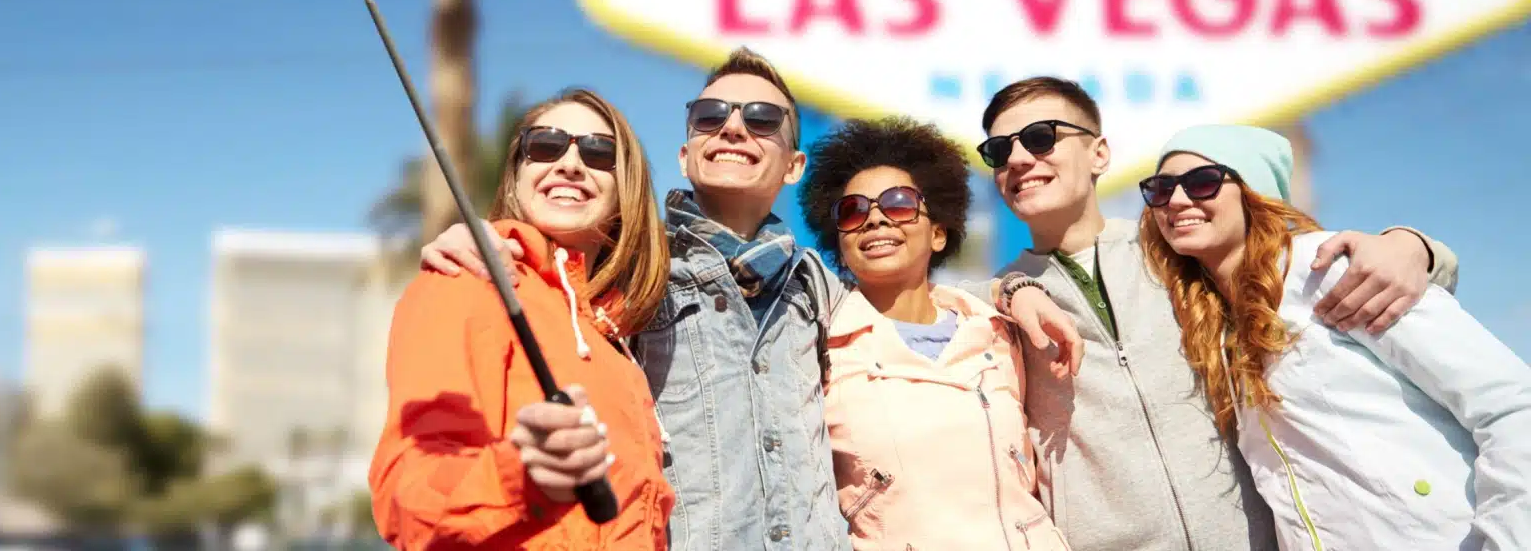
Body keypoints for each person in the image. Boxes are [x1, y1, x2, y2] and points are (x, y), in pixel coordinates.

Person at [418, 51, 1079, 549]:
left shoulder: (817, 289)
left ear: (792, 166)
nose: (734, 127)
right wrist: (490, 239)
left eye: (762, 119)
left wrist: (1012, 287)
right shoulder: (632, 265)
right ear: (686, 152)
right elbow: (554, 260)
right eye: (712, 116)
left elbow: (912, 295)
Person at [977, 76, 1460, 551]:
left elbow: (1298, 259)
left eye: (1041, 138)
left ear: (1099, 153)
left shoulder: (1180, 244)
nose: (1018, 159)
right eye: (999, 151)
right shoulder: (988, 309)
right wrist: (1011, 287)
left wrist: (1417, 247)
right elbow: (925, 305)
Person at [1140, 124, 1531, 551]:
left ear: (1253, 193)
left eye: (1202, 182)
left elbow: (1509, 405)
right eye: (1159, 188)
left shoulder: (1329, 268)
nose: (1176, 200)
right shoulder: (1212, 326)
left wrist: (1506, 540)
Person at [368, 88, 674, 550]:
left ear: (625, 190)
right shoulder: (464, 281)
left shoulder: (618, 344)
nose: (571, 163)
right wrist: (521, 476)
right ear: (517, 175)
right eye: (546, 145)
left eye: (598, 152)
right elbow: (408, 494)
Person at [798, 117, 1072, 550]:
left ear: (939, 233)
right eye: (853, 211)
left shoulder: (1000, 333)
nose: (874, 219)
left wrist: (1014, 287)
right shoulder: (815, 348)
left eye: (899, 204)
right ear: (841, 247)